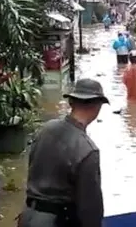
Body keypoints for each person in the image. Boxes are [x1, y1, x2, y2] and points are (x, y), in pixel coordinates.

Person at [19, 78, 108, 227]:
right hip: (57, 221)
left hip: (28, 216)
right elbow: (90, 209)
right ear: (97, 106)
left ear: (71, 103)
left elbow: (31, 166)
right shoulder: (88, 150)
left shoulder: (45, 129)